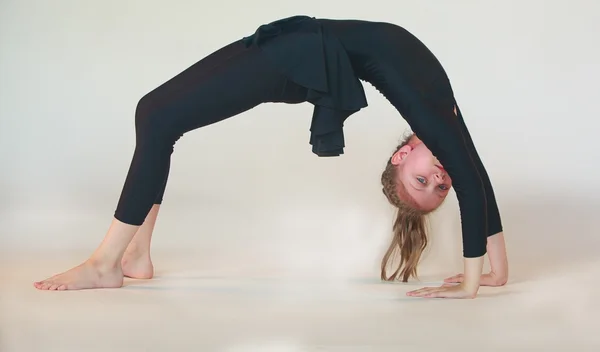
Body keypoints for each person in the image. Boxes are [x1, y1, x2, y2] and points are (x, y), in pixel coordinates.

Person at [33, 15, 508, 298]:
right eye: (432, 184)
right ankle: (134, 255)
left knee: (156, 116)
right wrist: (490, 274)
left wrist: (472, 282)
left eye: (428, 185)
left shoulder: (432, 117)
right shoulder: (437, 115)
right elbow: (474, 177)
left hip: (295, 58)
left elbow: (469, 178)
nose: (440, 178)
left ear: (404, 158)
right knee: (154, 115)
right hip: (298, 44)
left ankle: (106, 263)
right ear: (404, 153)